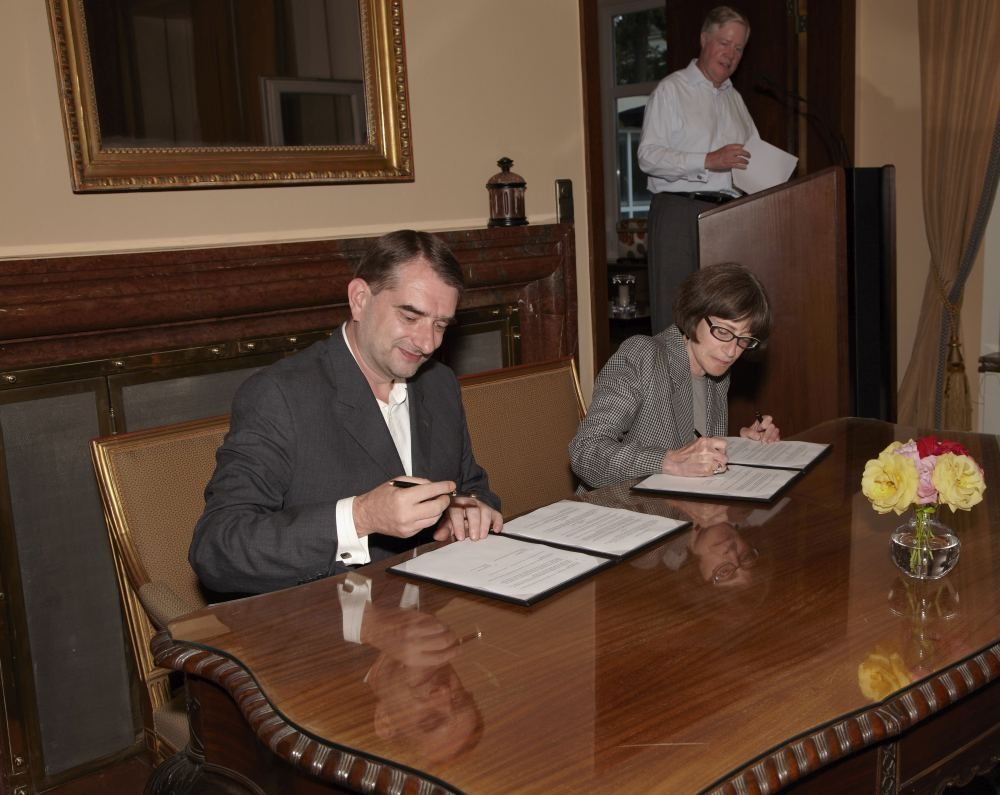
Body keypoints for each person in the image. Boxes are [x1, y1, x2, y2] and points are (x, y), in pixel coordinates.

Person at [189, 230, 503, 595]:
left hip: (428, 608)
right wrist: (361, 517)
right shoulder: (280, 395)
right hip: (323, 622)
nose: (427, 342)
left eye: (440, 325)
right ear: (359, 299)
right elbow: (217, 550)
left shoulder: (439, 383)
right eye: (411, 316)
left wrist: (469, 509)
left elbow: (471, 487)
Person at [570, 262, 779, 489]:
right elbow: (585, 451)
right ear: (694, 314)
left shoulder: (717, 375)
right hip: (621, 509)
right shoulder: (643, 355)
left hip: (679, 509)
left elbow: (692, 449)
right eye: (722, 331)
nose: (731, 352)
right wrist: (667, 461)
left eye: (744, 340)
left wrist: (740, 447)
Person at [637, 5, 757, 333]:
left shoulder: (736, 100)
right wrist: (707, 160)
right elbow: (647, 157)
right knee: (676, 318)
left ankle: (713, 387)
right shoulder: (672, 90)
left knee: (723, 316)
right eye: (724, 43)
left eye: (739, 48)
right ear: (704, 40)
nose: (731, 54)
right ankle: (672, 386)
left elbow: (752, 158)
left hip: (728, 216)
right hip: (679, 212)